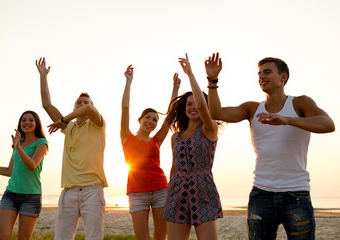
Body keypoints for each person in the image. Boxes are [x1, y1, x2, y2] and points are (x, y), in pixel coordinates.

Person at [205, 52, 335, 240]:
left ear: (283, 77)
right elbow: (216, 112)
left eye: (267, 72)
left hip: (296, 193)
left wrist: (287, 120)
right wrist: (213, 79)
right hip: (261, 194)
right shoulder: (252, 108)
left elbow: (328, 125)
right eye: (259, 74)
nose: (261, 77)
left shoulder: (300, 103)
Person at [36, 57, 107, 240]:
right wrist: (43, 76)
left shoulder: (98, 125)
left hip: (92, 190)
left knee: (94, 237)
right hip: (68, 191)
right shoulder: (69, 128)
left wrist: (62, 120)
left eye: (86, 102)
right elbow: (47, 105)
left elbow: (90, 110)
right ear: (73, 107)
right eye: (78, 103)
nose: (82, 105)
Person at [163, 54, 223, 240]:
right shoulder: (176, 138)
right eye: (189, 104)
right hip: (177, 192)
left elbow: (205, 109)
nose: (193, 107)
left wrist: (190, 74)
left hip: (203, 191)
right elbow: (174, 167)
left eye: (196, 103)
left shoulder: (209, 129)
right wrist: (170, 191)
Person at [120, 65, 181, 240]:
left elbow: (170, 117)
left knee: (160, 237)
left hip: (161, 189)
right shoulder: (126, 137)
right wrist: (128, 82)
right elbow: (124, 108)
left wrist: (175, 88)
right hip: (137, 193)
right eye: (148, 117)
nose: (152, 122)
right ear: (140, 120)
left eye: (155, 120)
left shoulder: (157, 140)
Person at [0, 110, 48, 240]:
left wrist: (18, 148)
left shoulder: (41, 142)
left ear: (37, 123)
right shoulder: (18, 143)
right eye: (24, 120)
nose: (27, 122)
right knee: (2, 237)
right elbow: (9, 171)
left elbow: (32, 165)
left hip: (31, 197)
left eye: (31, 120)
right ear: (20, 123)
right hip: (10, 194)